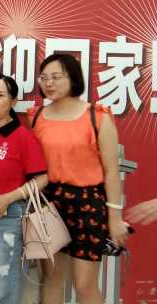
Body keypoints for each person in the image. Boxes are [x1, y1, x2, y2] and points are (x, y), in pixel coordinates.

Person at [27, 53, 128, 304]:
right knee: (52, 279)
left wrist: (115, 218)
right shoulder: (36, 117)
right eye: (44, 78)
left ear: (73, 79)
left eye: (56, 77)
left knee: (84, 285)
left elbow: (111, 171)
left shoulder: (97, 116)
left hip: (87, 205)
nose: (49, 83)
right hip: (48, 204)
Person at [0, 74, 48, 304]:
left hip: (11, 215)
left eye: (0, 95)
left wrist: (7, 198)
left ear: (13, 102)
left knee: (5, 282)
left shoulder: (22, 136)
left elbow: (42, 179)